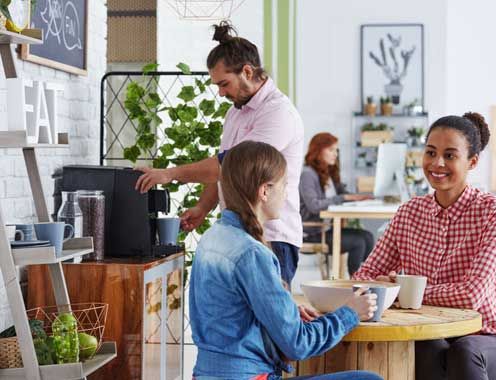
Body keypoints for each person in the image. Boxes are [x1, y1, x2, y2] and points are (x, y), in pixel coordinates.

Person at [190, 140, 382, 380]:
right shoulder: (252, 253)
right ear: (264, 191)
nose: (287, 194)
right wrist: (350, 313)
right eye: (285, 185)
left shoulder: (211, 238)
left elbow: (232, 318)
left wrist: (288, 313)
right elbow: (298, 345)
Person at [353, 113, 496, 380]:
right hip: (429, 333)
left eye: (450, 155)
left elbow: (471, 295)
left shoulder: (494, 214)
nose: (437, 163)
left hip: (488, 339)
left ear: (472, 162)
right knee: (423, 345)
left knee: (464, 351)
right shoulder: (409, 213)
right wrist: (391, 288)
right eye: (430, 152)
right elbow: (364, 277)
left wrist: (404, 292)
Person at [134, 21, 304, 287]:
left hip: (272, 236)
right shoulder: (236, 112)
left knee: (269, 326)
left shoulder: (278, 113)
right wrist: (203, 207)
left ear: (248, 71)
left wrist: (169, 174)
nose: (221, 93)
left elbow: (232, 166)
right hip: (240, 234)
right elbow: (224, 168)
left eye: (224, 84)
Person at [300, 132, 375, 276]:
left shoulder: (327, 173)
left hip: (328, 229)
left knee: (368, 237)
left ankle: (368, 278)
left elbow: (344, 193)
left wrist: (359, 197)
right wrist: (342, 198)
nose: (335, 154)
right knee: (358, 242)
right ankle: (357, 285)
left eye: (336, 150)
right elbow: (314, 205)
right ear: (318, 151)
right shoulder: (308, 174)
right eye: (331, 150)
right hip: (314, 232)